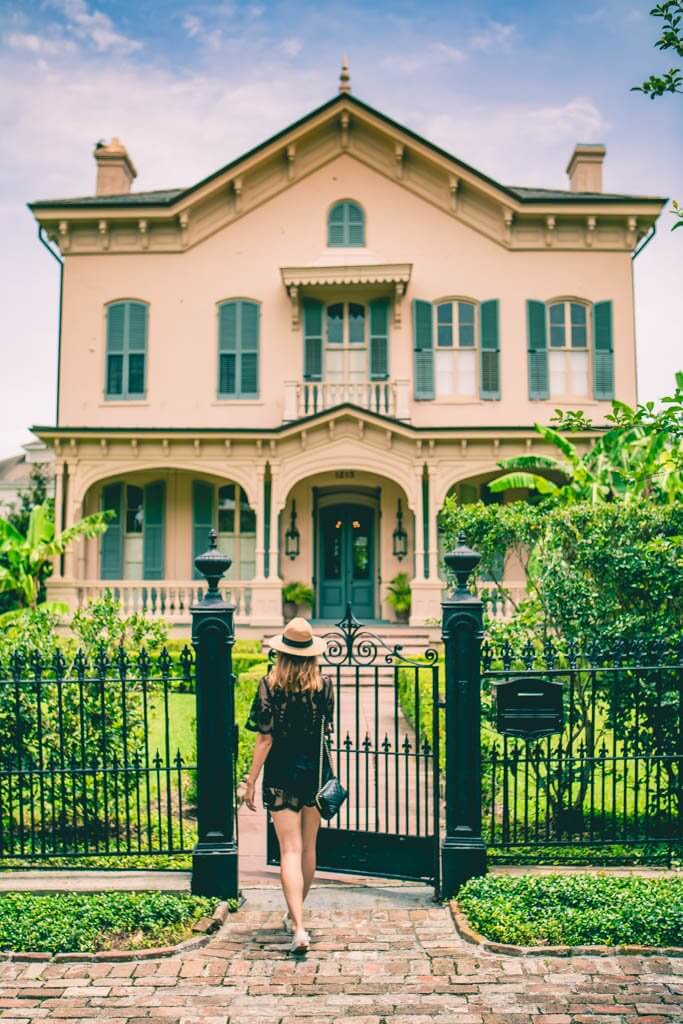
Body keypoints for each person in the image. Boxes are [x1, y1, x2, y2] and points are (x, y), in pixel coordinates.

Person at [244, 617, 334, 954]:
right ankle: (295, 919)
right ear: (312, 654)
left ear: (281, 654)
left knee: (290, 851)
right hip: (313, 772)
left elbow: (264, 740)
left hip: (281, 772)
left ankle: (297, 925)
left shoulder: (269, 685)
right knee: (309, 849)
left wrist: (250, 781)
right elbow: (326, 730)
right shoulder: (324, 685)